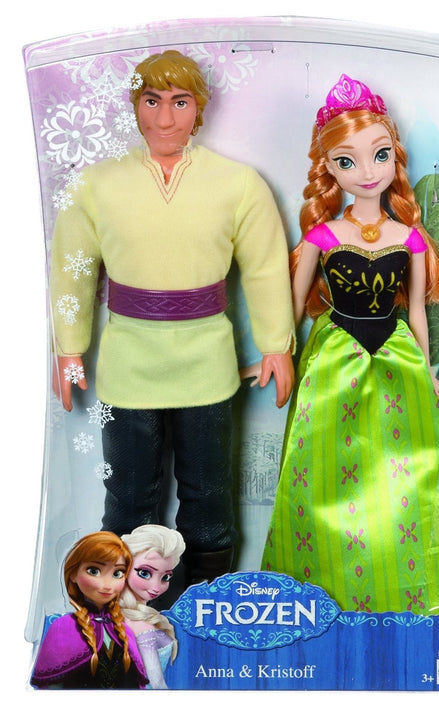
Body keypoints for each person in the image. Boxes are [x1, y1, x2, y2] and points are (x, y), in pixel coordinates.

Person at [49, 50, 295, 585]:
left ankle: (208, 588)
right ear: (134, 105)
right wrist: (69, 347)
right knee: (128, 489)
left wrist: (277, 343)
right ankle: (123, 593)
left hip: (206, 358)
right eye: (152, 101)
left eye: (180, 102)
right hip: (128, 359)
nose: (165, 119)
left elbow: (265, 267)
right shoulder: (97, 184)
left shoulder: (237, 183)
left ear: (199, 107)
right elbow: (72, 269)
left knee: (208, 487)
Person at [261, 74, 439, 654]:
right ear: (329, 169)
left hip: (398, 358)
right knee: (322, 477)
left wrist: (427, 369)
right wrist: (276, 354)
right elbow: (291, 305)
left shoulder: (409, 237)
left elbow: (417, 311)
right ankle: (316, 611)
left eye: (379, 155)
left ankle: (413, 611)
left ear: (394, 157)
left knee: (409, 476)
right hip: (334, 360)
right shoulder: (323, 236)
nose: (367, 171)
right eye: (347, 160)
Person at [31, 531, 148, 688]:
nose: (107, 585)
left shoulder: (125, 631)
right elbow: (51, 688)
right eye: (94, 571)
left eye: (117, 573)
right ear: (73, 574)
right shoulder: (63, 627)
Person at [120, 525, 185, 689]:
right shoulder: (142, 627)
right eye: (144, 573)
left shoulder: (119, 616)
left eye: (165, 577)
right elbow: (156, 684)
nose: (156, 587)